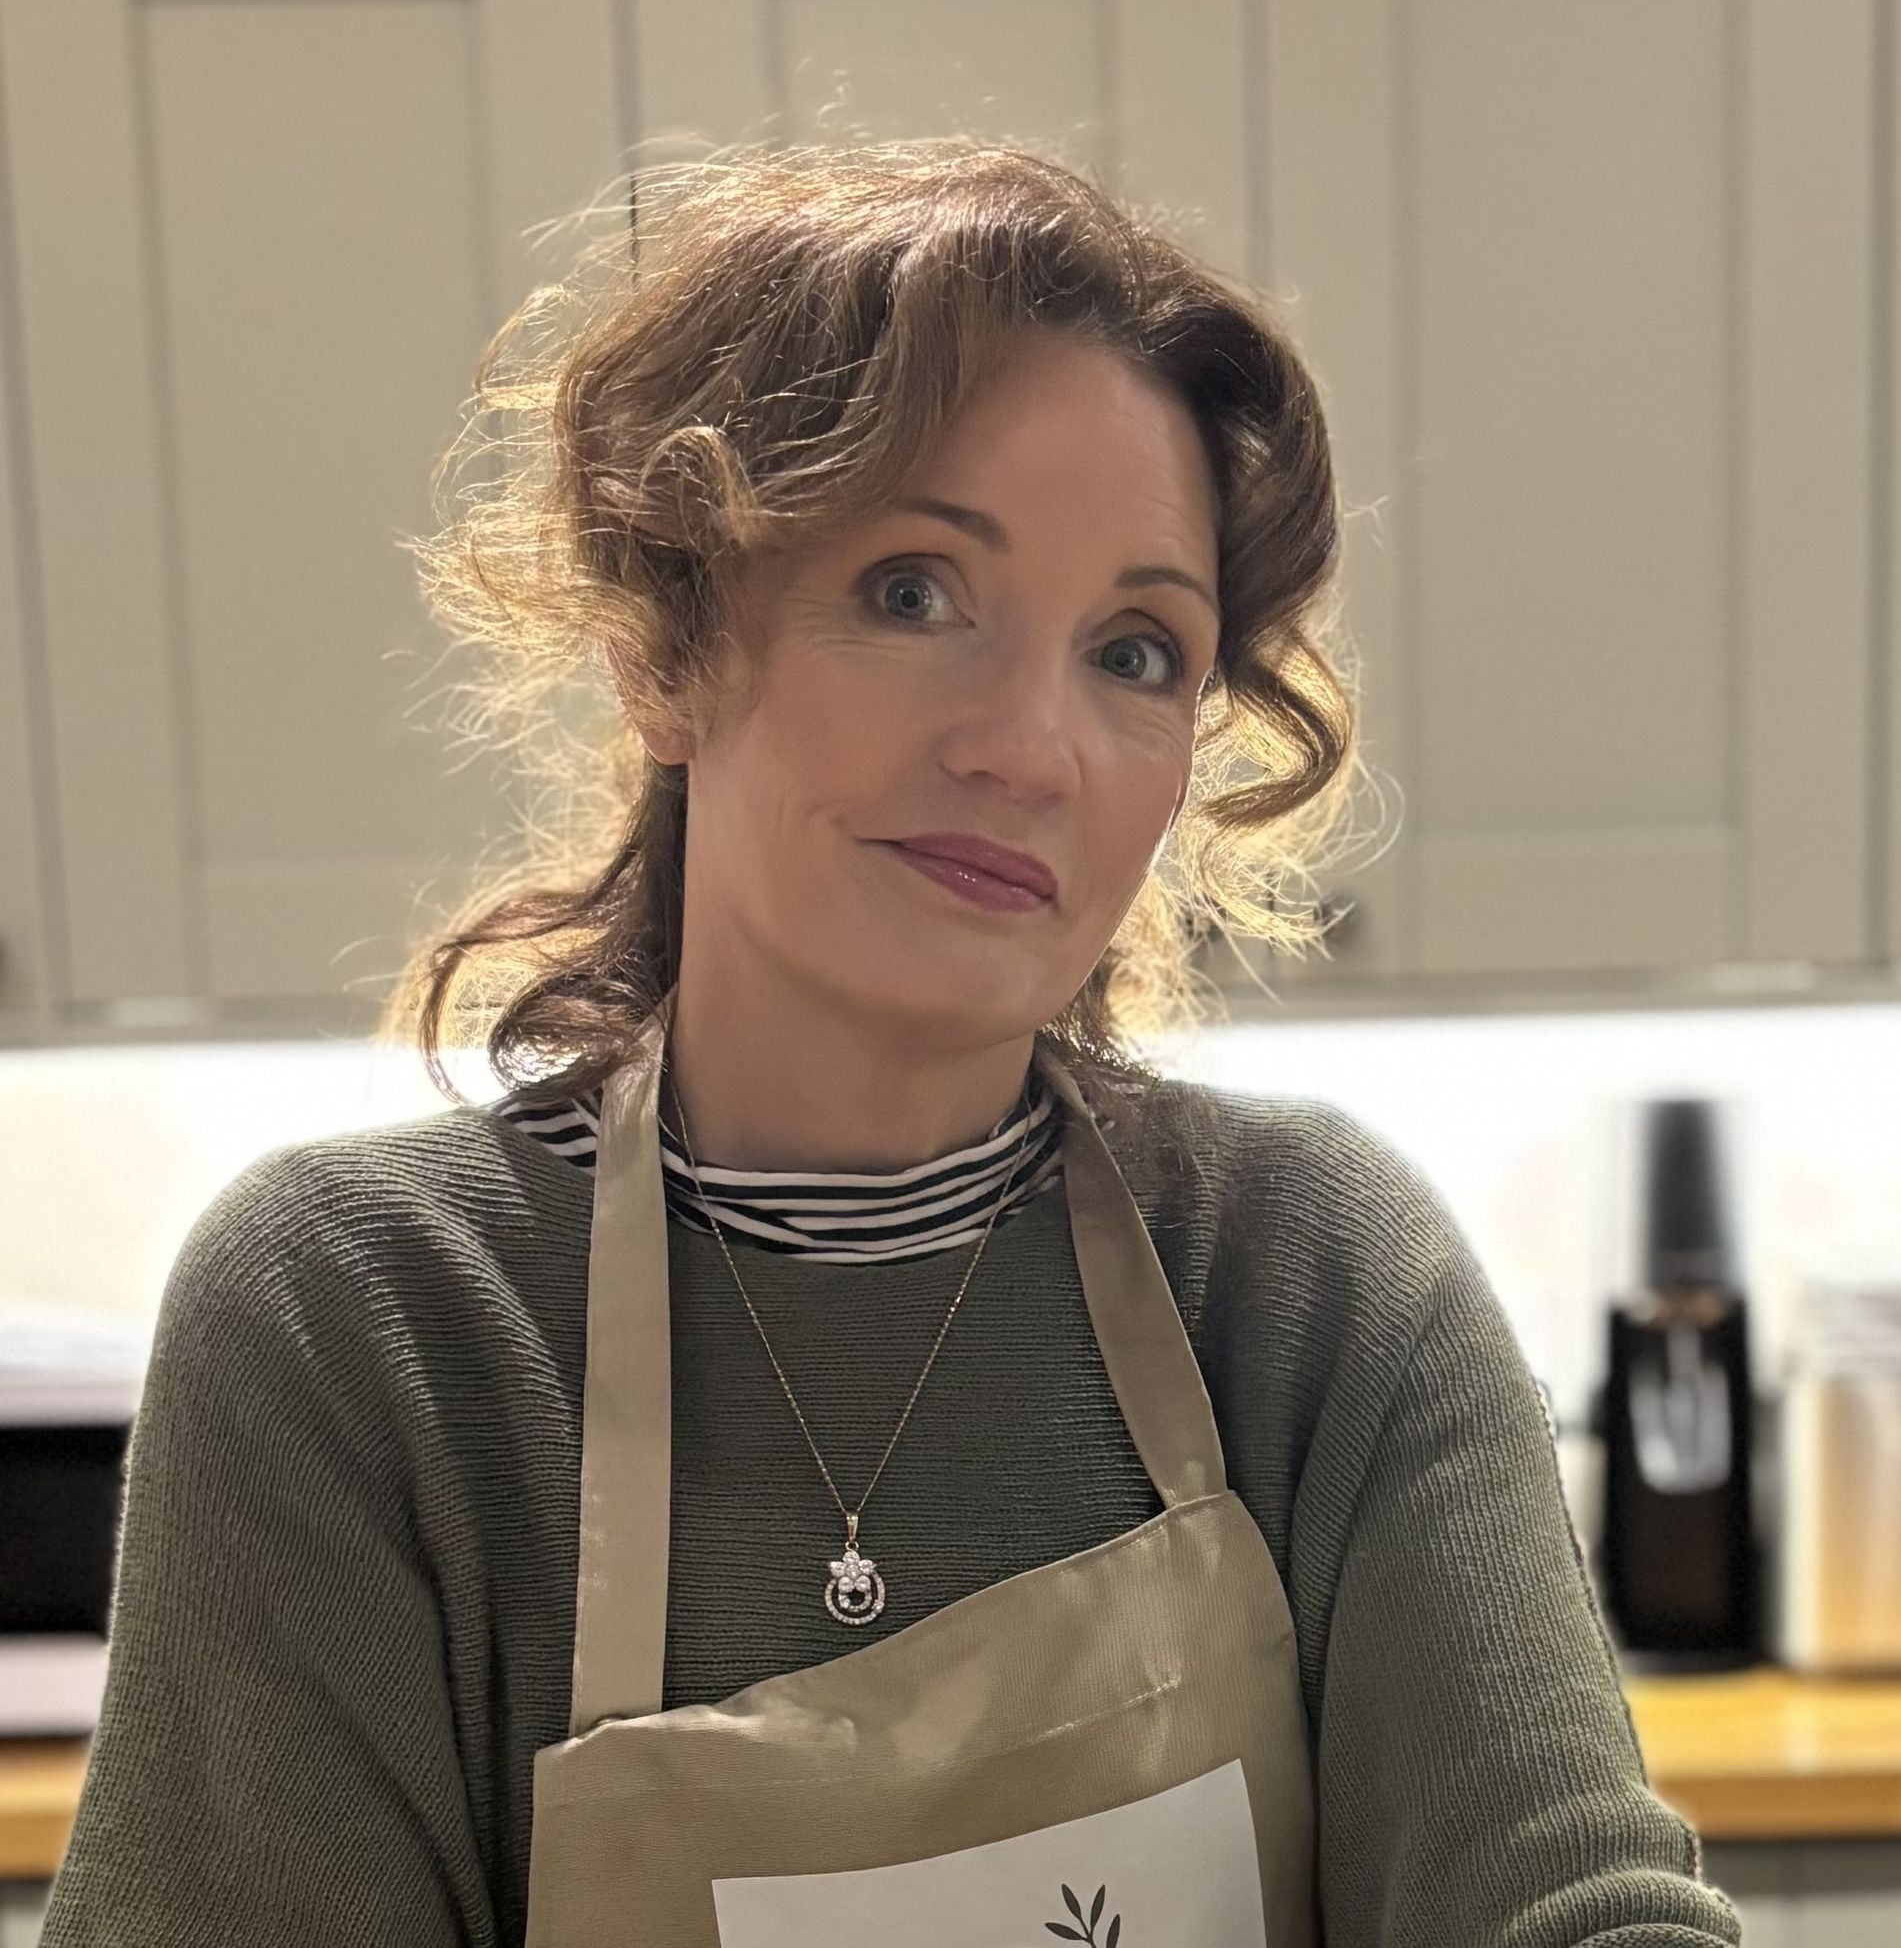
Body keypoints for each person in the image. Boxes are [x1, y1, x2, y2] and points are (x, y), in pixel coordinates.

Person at [39, 139, 1743, 1946]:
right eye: (917, 590)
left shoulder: (1311, 1280)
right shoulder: (371, 1328)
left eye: (1138, 651)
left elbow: (1574, 1896)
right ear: (672, 646)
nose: (1035, 745)